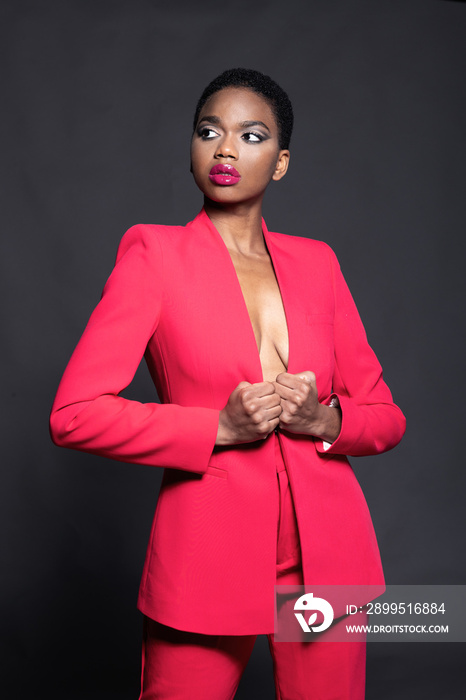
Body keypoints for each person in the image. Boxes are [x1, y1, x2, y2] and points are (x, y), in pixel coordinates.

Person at [50, 68, 406, 699]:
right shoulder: (154, 256)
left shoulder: (318, 263)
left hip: (327, 555)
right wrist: (217, 426)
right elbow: (74, 413)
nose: (224, 149)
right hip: (207, 552)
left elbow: (385, 415)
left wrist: (323, 421)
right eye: (209, 131)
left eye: (251, 135)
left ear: (282, 162)